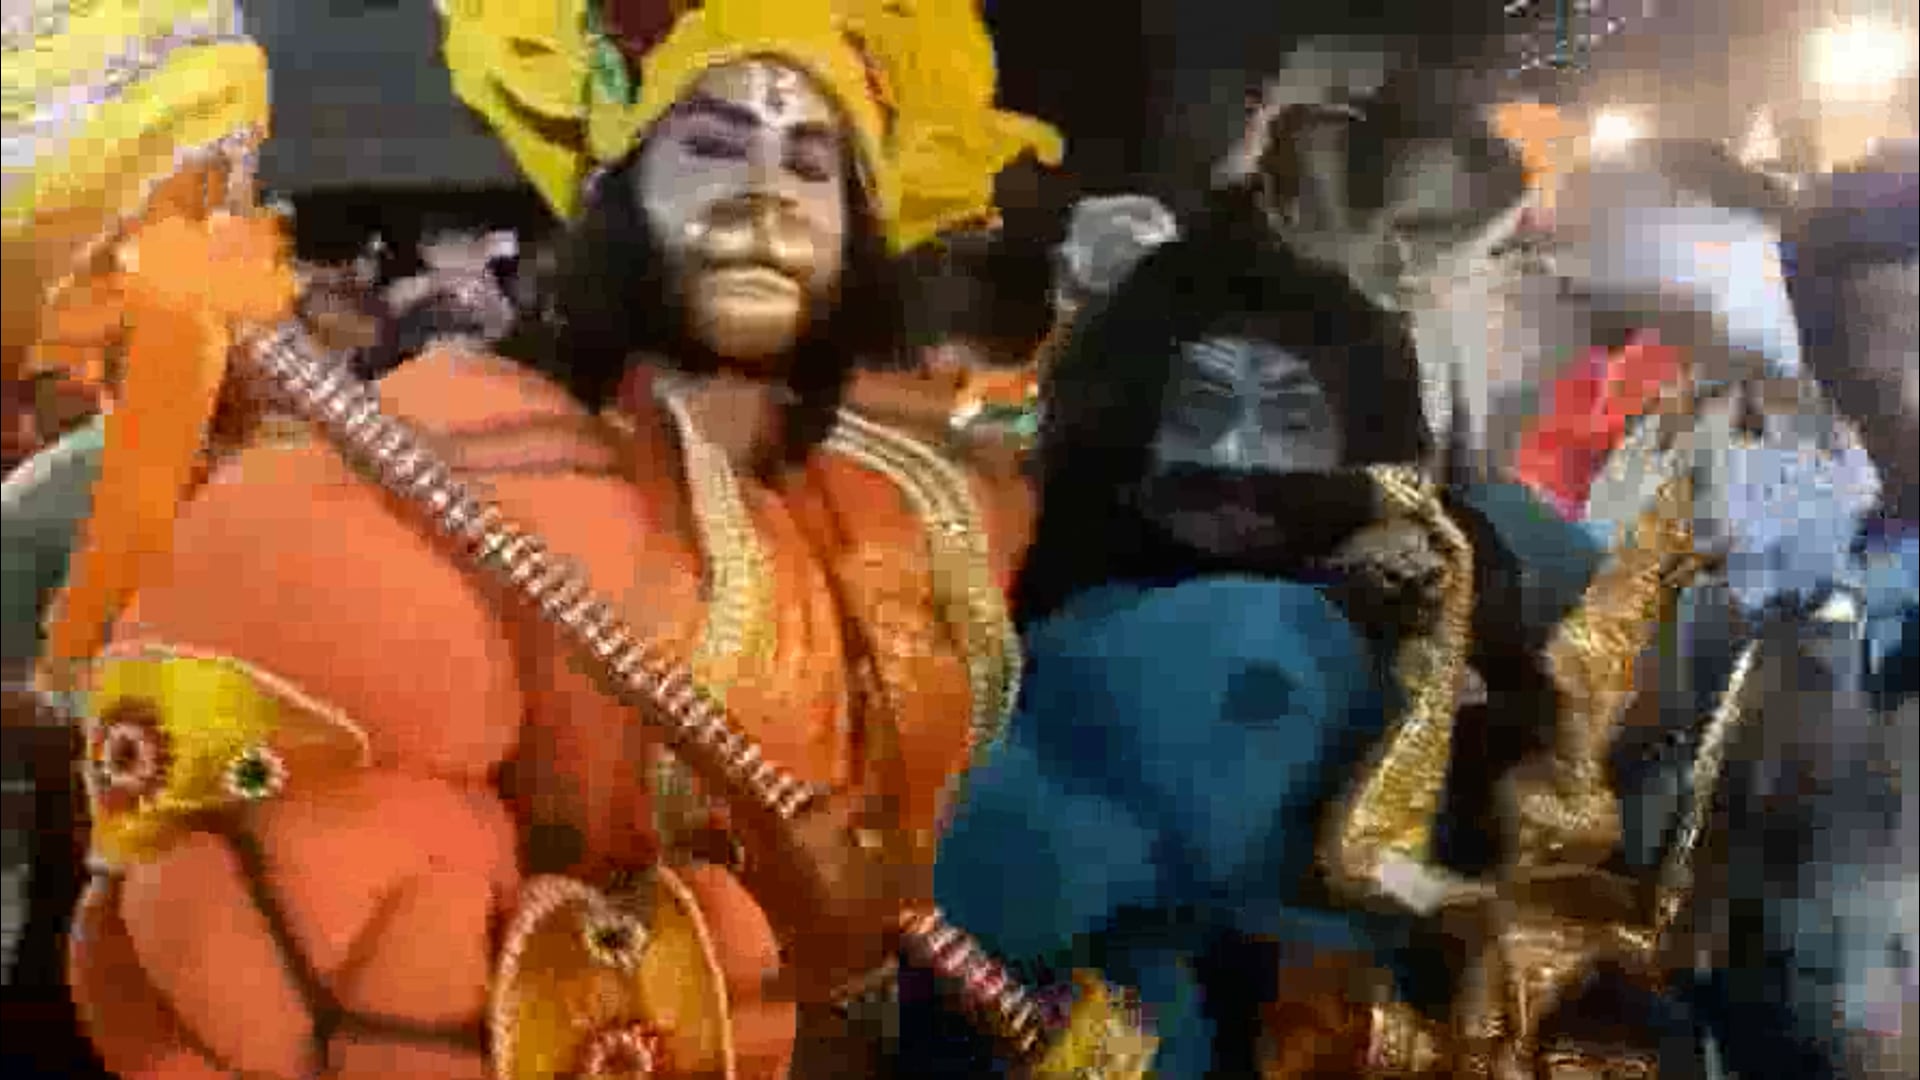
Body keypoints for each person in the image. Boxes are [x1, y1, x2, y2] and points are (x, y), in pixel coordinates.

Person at [53, 0, 1074, 1076]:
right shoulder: (453, 465)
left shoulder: (911, 507)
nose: (765, 195)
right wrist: (759, 956)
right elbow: (331, 922)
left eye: (812, 163)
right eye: (712, 146)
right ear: (607, 193)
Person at [928, 196, 1479, 1079]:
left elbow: (998, 895)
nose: (1236, 454)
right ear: (1128, 427)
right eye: (1201, 409)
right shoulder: (1091, 604)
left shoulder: (1302, 628)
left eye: (1291, 421)